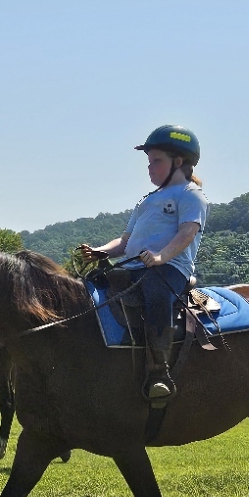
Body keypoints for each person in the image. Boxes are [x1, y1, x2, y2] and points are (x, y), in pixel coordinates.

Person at [78, 126, 207, 402]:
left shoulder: (190, 194)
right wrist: (101, 251)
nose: (150, 168)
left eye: (156, 161)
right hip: (133, 268)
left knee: (156, 294)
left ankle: (159, 373)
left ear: (179, 162)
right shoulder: (147, 201)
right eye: (148, 163)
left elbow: (188, 232)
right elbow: (125, 242)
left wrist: (162, 257)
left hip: (169, 270)